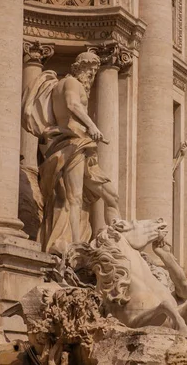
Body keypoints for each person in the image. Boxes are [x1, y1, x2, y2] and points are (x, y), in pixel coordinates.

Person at [22, 52, 121, 255]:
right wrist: (92, 125)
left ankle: (118, 246)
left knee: (111, 196)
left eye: (94, 71)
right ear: (79, 68)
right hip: (73, 144)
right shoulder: (70, 83)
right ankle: (76, 245)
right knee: (73, 197)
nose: (92, 76)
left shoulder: (62, 84)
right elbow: (72, 104)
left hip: (77, 145)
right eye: (90, 70)